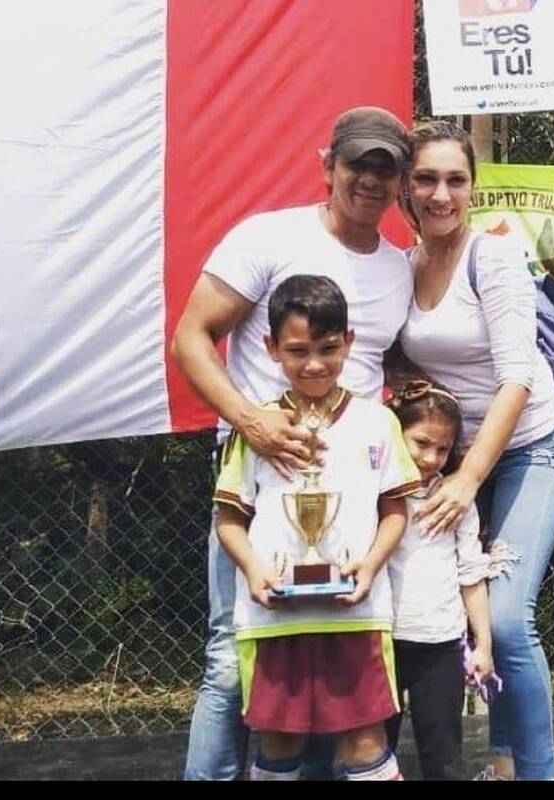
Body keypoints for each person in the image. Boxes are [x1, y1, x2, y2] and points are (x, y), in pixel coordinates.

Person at [171, 106, 413, 781]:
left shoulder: (399, 269)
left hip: (352, 506)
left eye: (386, 168)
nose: (370, 179)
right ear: (327, 165)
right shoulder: (267, 238)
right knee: (231, 665)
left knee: (349, 687)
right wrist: (251, 422)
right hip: (266, 493)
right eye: (357, 163)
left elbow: (386, 368)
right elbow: (190, 338)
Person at [396, 121, 554, 781]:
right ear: (407, 188)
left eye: (455, 179)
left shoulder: (492, 256)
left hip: (529, 449)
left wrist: (468, 478)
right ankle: (501, 767)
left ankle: (537, 774)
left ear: (472, 187)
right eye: (426, 179)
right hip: (453, 461)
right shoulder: (403, 267)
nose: (441, 194)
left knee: (505, 620)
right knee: (469, 617)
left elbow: (518, 377)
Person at [211, 275, 420, 781]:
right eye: (297, 351)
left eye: (327, 349)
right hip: (275, 617)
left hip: (356, 613)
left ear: (348, 342)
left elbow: (396, 510)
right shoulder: (257, 428)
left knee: (365, 743)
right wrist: (255, 570)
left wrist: (370, 565)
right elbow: (230, 521)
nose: (313, 364)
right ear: (271, 348)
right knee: (280, 744)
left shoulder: (377, 422)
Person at [384, 380, 498, 781]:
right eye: (420, 443)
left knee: (443, 757)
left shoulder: (455, 501)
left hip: (441, 646)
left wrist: (483, 645)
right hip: (382, 642)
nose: (431, 457)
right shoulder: (374, 495)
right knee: (373, 755)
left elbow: (471, 576)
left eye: (443, 449)